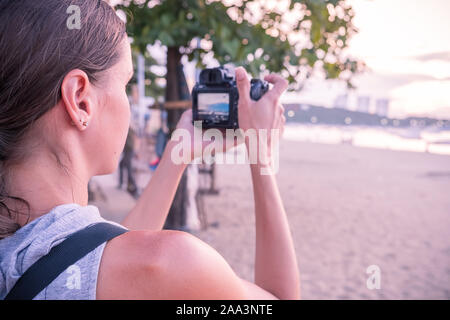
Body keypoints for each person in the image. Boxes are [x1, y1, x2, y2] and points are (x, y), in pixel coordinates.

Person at [0, 0, 299, 300]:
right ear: (80, 100)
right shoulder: (176, 264)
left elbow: (95, 252)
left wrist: (176, 155)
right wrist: (262, 155)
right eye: (125, 84)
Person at [118, 127, 139, 198]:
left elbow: (129, 142)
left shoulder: (127, 129)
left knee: (128, 169)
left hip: (129, 151)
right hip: (129, 151)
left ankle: (135, 187)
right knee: (122, 166)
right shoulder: (129, 129)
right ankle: (123, 184)